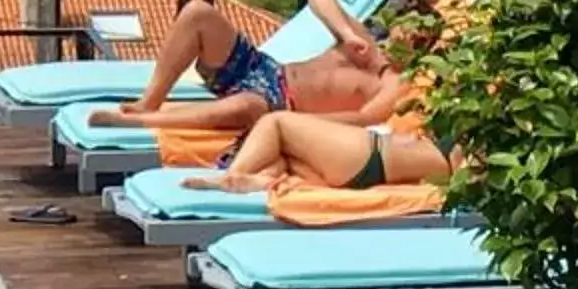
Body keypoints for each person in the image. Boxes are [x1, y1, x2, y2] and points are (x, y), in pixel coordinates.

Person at [80, 0, 417, 135]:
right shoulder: (365, 45)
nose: (402, 35)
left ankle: (140, 123)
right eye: (403, 27)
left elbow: (363, 120)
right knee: (198, 12)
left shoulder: (395, 83)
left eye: (413, 36)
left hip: (277, 103)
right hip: (264, 67)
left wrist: (292, 126)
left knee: (245, 109)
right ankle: (149, 102)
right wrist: (346, 33)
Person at [181, 101, 453, 194]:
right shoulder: (478, 134)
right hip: (366, 165)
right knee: (284, 153)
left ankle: (232, 176)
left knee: (275, 123)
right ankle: (261, 181)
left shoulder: (480, 143)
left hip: (371, 153)